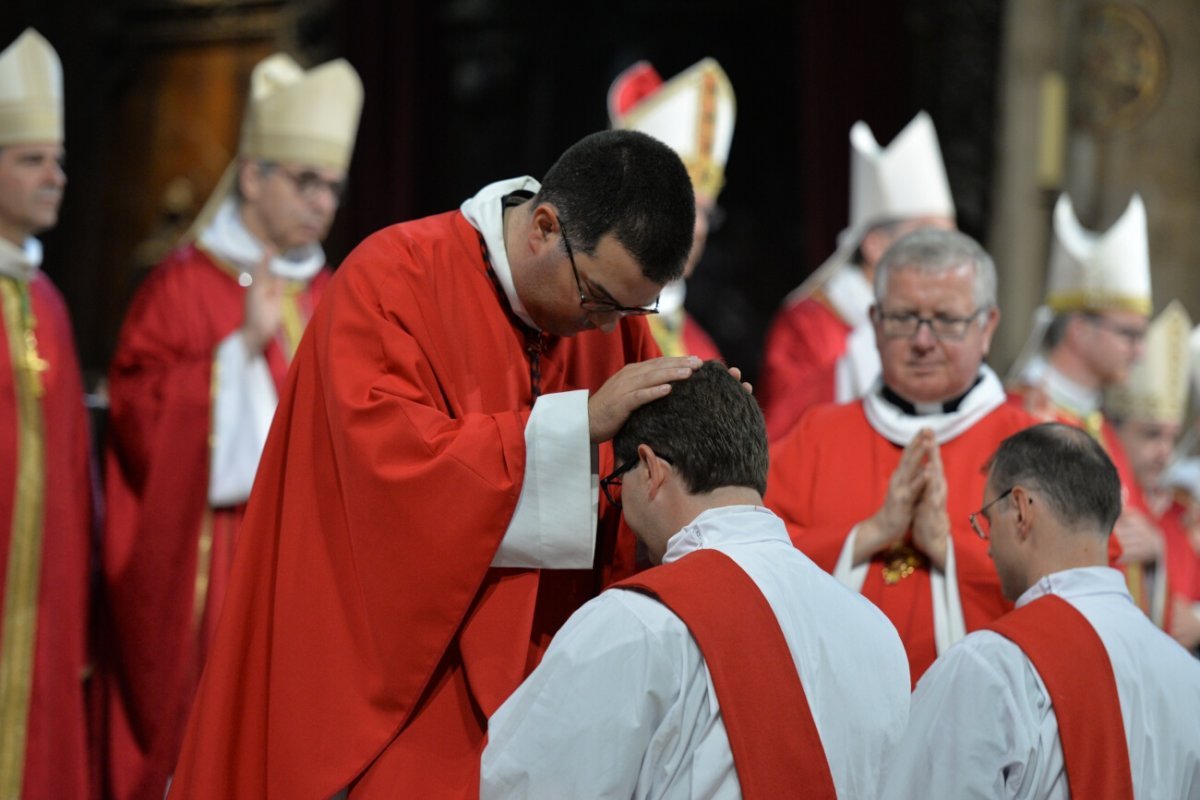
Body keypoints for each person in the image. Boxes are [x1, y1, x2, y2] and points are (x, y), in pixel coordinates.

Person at [167, 129, 701, 798]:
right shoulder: (392, 280)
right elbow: (388, 485)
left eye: (631, 308)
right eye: (596, 298)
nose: (606, 328)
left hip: (548, 693)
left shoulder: (612, 322)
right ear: (543, 227)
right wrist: (580, 424)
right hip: (402, 694)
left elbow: (635, 501)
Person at [100, 53, 363, 799]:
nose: (321, 204)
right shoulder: (182, 285)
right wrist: (235, 353)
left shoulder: (334, 294)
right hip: (214, 556)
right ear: (253, 177)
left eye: (332, 188)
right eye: (304, 182)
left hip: (305, 558)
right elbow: (135, 416)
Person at [482, 362, 910, 799]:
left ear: (649, 469)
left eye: (617, 482)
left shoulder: (636, 624)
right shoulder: (876, 631)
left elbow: (526, 788)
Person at [765, 228, 1037, 682]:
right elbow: (748, 554)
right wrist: (868, 535)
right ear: (873, 323)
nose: (923, 341)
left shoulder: (1035, 447)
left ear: (987, 326)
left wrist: (948, 549)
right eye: (904, 318)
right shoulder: (815, 436)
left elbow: (1071, 586)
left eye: (947, 320)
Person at [882, 423, 1200, 798]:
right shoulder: (1188, 677)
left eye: (986, 520)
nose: (987, 546)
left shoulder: (992, 665)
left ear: (1019, 510)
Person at [0, 28, 93, 799]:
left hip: (41, 596)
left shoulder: (48, 304)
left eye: (57, 160)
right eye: (32, 160)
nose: (55, 177)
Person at [759, 111, 956, 440]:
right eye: (927, 238)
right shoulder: (807, 327)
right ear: (876, 245)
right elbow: (779, 439)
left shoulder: (948, 326)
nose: (944, 258)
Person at [1009, 193, 1153, 612]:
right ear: (1079, 331)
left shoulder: (1100, 428)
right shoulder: (1023, 417)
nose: (1140, 351)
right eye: (1129, 333)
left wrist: (1156, 547)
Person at [608, 57, 734, 360]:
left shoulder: (703, 350)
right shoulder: (593, 325)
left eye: (706, 212)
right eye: (686, 205)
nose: (699, 229)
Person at [1107, 300, 1194, 633]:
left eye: (1172, 438)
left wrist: (1159, 555)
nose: (1165, 452)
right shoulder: (1102, 507)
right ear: (1111, 431)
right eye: (1151, 435)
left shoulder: (1182, 519)